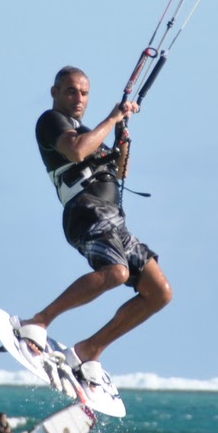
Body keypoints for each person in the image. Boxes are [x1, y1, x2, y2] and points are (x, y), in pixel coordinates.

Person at [21, 65, 173, 398]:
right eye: (71, 91)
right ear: (55, 93)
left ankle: (89, 349)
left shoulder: (92, 133)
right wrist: (112, 118)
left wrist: (120, 136)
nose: (78, 98)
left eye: (84, 93)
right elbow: (76, 151)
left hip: (115, 220)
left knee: (159, 292)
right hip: (85, 211)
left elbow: (120, 171)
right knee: (116, 272)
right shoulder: (51, 121)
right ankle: (39, 321)